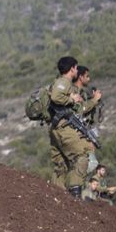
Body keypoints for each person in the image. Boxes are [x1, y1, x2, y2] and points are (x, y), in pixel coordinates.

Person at [48, 56, 92, 198]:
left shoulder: (63, 83)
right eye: (76, 67)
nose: (76, 70)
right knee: (81, 157)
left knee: (61, 165)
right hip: (63, 127)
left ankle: (57, 196)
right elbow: (56, 97)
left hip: (56, 128)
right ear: (72, 68)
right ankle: (74, 193)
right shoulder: (63, 81)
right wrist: (71, 99)